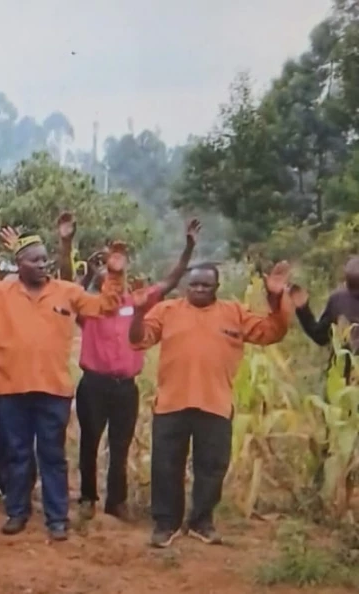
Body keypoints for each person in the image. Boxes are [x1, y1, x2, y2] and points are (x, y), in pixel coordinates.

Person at [0, 233, 128, 541]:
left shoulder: (67, 292)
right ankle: (17, 512)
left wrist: (116, 273)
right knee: (17, 454)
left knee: (52, 455)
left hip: (53, 390)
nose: (43, 265)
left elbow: (107, 306)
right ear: (19, 264)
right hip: (11, 389)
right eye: (35, 260)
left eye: (45, 259)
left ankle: (57, 518)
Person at [130, 261, 291, 548]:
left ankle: (201, 522)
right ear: (185, 286)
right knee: (166, 465)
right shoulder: (167, 311)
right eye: (194, 284)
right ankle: (166, 524)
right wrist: (139, 311)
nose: (200, 289)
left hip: (215, 403)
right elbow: (138, 340)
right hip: (171, 403)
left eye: (206, 285)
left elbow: (271, 333)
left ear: (217, 287)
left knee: (212, 467)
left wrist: (276, 299)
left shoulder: (234, 313)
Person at [74, 219, 200, 522]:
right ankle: (88, 498)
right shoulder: (90, 308)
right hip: (93, 385)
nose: (114, 282)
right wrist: (87, 269)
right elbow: (69, 289)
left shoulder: (138, 303)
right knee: (89, 443)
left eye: (118, 274)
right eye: (107, 277)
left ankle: (115, 502)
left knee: (120, 446)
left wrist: (188, 249)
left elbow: (170, 281)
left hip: (125, 387)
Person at [289, 256, 359, 380]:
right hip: (343, 380)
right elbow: (321, 335)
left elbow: (320, 336)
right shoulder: (338, 300)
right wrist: (303, 309)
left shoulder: (339, 299)